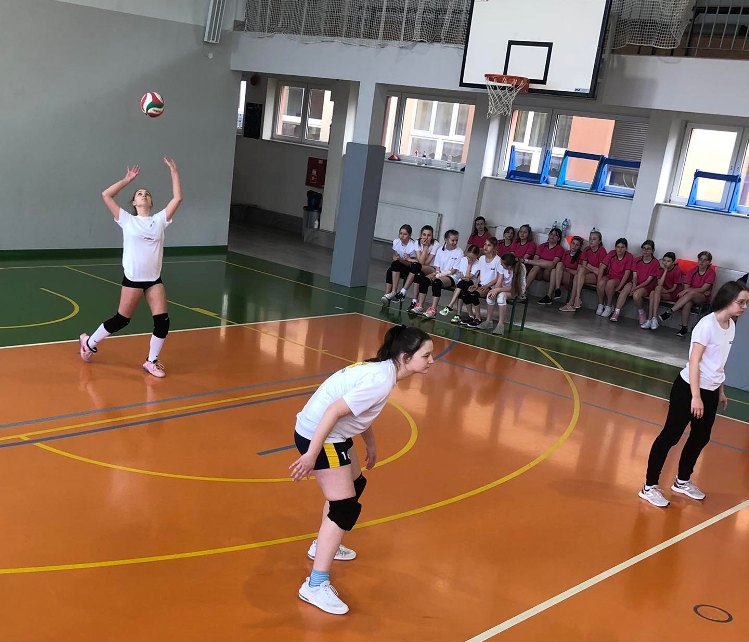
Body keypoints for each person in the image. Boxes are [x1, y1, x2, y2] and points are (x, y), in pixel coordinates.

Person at [291, 326, 434, 614]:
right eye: (426, 355)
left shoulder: (382, 371)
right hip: (320, 435)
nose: (432, 361)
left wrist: (370, 444)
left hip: (330, 432)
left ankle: (322, 545)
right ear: (405, 357)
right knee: (344, 507)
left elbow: (357, 412)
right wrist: (312, 455)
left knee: (355, 484)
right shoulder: (380, 380)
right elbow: (334, 411)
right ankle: (315, 585)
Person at [639, 281, 749, 508]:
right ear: (727, 300)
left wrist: (720, 389)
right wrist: (696, 396)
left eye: (746, 303)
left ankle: (682, 481)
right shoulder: (706, 325)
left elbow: (719, 362)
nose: (744, 307)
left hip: (710, 391)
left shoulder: (731, 325)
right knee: (670, 437)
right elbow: (694, 361)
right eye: (741, 302)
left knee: (701, 437)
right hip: (688, 389)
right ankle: (649, 486)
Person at [78, 158, 183, 377]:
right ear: (134, 202)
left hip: (154, 280)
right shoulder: (126, 220)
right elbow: (106, 195)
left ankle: (151, 361)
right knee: (122, 320)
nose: (143, 195)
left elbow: (178, 198)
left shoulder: (160, 220)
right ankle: (89, 342)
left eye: (147, 194)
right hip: (133, 279)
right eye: (139, 194)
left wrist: (174, 172)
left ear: (150, 202)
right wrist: (126, 180)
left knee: (163, 321)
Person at [659, 251, 716, 337]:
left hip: (702, 297)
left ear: (708, 262)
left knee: (691, 294)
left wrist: (689, 290)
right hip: (689, 296)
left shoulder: (711, 273)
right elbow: (686, 288)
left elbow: (703, 289)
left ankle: (670, 312)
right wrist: (688, 290)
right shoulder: (692, 271)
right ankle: (684, 328)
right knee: (688, 302)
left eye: (704, 260)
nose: (701, 262)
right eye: (700, 259)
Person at [413, 230, 463, 317]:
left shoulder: (459, 252)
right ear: (446, 240)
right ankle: (420, 305)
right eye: (452, 240)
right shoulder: (440, 250)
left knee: (437, 282)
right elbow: (437, 266)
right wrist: (436, 273)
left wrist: (439, 276)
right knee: (424, 280)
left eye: (456, 240)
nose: (455, 242)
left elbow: (453, 271)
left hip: (451, 277)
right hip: (439, 273)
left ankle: (433, 309)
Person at [609, 240, 660, 323]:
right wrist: (634, 286)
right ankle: (616, 312)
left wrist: (635, 288)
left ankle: (641, 313)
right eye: (644, 248)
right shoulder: (637, 260)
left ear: (653, 250)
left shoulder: (655, 263)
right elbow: (635, 276)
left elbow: (648, 281)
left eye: (648, 249)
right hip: (635, 283)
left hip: (647, 286)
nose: (646, 251)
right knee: (625, 289)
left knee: (636, 295)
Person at [562, 229, 606, 312]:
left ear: (599, 241)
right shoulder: (587, 249)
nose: (591, 241)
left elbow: (600, 271)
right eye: (590, 238)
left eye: (594, 239)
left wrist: (589, 266)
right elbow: (583, 266)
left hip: (597, 276)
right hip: (586, 273)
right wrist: (591, 268)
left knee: (578, 276)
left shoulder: (602, 251)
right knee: (578, 275)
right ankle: (576, 299)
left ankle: (572, 302)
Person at [460, 237, 500, 327]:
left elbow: (497, 278)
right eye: (485, 244)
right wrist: (476, 284)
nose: (485, 247)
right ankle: (471, 315)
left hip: (490, 286)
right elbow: (480, 274)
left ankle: (478, 318)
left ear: (494, 248)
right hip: (480, 284)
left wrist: (486, 286)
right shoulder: (481, 258)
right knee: (465, 294)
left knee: (474, 295)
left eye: (489, 245)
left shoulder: (498, 260)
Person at [482, 253, 525, 336]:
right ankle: (488, 321)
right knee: (490, 295)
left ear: (509, 266)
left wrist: (498, 290)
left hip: (516, 291)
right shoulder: (502, 266)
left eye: (502, 264)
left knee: (501, 297)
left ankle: (500, 324)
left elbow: (514, 288)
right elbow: (499, 281)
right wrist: (495, 290)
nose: (500, 264)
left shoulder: (520, 268)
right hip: (504, 288)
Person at [643, 251, 683, 330]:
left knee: (656, 290)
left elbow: (674, 288)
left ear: (673, 262)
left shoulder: (677, 270)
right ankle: (651, 319)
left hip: (672, 293)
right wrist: (665, 270)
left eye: (668, 261)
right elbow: (660, 284)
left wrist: (666, 291)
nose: (665, 263)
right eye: (664, 260)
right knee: (652, 293)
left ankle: (652, 318)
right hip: (661, 291)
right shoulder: (660, 269)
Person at [524, 227, 564, 304]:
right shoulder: (542, 246)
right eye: (551, 234)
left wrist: (541, 261)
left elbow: (553, 264)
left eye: (555, 235)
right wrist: (543, 263)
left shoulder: (560, 249)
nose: (552, 236)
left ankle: (548, 296)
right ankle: (523, 291)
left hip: (548, 273)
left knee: (553, 269)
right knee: (536, 266)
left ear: (558, 238)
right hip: (539, 272)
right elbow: (535, 261)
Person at [441, 244, 481, 322]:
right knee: (462, 285)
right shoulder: (463, 260)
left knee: (462, 284)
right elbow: (462, 275)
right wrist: (464, 277)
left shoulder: (478, 263)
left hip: (472, 283)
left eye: (472, 258)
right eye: (469, 257)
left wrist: (469, 265)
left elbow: (468, 277)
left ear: (476, 256)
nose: (470, 259)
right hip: (463, 282)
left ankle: (451, 306)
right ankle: (457, 313)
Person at [381, 224, 417, 304]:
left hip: (408, 269)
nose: (402, 236)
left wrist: (400, 260)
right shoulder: (396, 242)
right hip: (398, 265)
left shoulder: (412, 246)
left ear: (409, 235)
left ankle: (393, 292)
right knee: (390, 269)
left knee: (396, 264)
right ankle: (387, 294)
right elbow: (394, 254)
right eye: (400, 233)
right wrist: (395, 257)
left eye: (405, 234)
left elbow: (411, 264)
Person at [406, 225, 439, 310]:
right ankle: (415, 302)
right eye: (424, 235)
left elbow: (425, 263)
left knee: (416, 265)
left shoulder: (435, 244)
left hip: (431, 269)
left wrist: (426, 247)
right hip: (420, 268)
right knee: (418, 274)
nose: (426, 237)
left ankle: (403, 291)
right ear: (421, 235)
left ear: (432, 236)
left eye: (429, 235)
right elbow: (421, 262)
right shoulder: (417, 242)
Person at [598, 238, 633, 318]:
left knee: (610, 283)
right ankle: (600, 304)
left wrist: (619, 287)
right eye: (618, 247)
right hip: (610, 276)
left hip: (620, 279)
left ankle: (609, 306)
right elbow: (602, 267)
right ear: (615, 247)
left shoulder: (629, 256)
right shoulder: (612, 253)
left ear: (626, 248)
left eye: (622, 247)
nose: (620, 249)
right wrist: (598, 281)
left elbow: (627, 274)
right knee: (601, 283)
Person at [554, 236, 584, 312]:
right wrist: (564, 269)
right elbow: (561, 266)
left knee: (555, 271)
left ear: (579, 247)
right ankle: (556, 290)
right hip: (563, 274)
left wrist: (567, 269)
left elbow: (578, 272)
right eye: (573, 243)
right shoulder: (566, 253)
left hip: (572, 277)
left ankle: (570, 303)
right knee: (556, 268)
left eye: (577, 245)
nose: (574, 246)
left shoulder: (580, 255)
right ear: (570, 244)